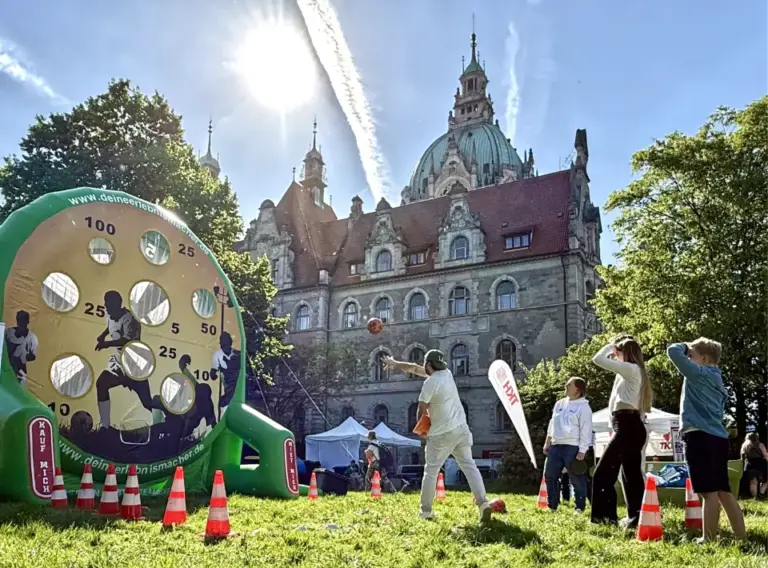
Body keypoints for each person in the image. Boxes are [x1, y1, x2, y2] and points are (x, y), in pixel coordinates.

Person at [383, 350, 492, 523]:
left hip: (441, 434)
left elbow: (421, 409)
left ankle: (425, 511)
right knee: (469, 466)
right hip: (461, 430)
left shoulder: (430, 383)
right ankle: (483, 503)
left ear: (428, 364)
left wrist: (422, 431)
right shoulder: (447, 374)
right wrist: (396, 364)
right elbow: (414, 368)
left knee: (431, 471)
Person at [667, 338, 746, 542]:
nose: (687, 358)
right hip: (718, 438)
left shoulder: (698, 373)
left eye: (691, 355)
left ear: (703, 358)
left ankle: (709, 538)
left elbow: (673, 351)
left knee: (708, 493)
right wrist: (693, 348)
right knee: (723, 491)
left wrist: (686, 345)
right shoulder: (717, 378)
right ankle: (741, 536)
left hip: (699, 436)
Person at [590, 335, 653, 527]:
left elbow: (597, 359)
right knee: (631, 475)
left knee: (603, 473)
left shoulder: (630, 369)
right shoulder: (632, 371)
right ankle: (636, 516)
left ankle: (605, 518)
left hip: (627, 425)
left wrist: (610, 346)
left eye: (618, 352)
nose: (615, 355)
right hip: (629, 425)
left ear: (625, 352)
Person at [95, 291, 150, 430]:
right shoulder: (111, 315)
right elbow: (111, 326)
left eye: (109, 305)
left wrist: (106, 344)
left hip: (134, 367)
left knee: (147, 402)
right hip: (119, 364)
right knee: (102, 383)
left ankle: (167, 418)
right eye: (106, 304)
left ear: (118, 304)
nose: (106, 307)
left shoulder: (130, 319)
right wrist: (102, 335)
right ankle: (104, 427)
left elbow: (126, 341)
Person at [543, 377, 592, 514]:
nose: (566, 386)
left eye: (569, 385)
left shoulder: (584, 407)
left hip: (572, 446)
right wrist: (547, 442)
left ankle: (579, 507)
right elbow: (552, 423)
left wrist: (582, 450)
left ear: (577, 389)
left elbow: (586, 429)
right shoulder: (559, 404)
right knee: (550, 476)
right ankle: (552, 506)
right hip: (555, 445)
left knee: (576, 478)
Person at [210, 332, 241, 414]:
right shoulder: (218, 354)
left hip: (234, 387)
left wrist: (214, 374)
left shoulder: (238, 354)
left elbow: (213, 374)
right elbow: (213, 373)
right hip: (231, 388)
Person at [4, 310, 38, 385]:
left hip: (20, 371)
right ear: (17, 320)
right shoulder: (8, 332)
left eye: (23, 320)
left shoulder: (32, 338)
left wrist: (24, 355)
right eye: (19, 320)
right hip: (5, 369)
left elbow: (33, 356)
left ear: (27, 321)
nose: (21, 322)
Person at [740, 433, 768, 499]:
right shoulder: (760, 445)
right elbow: (766, 455)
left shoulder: (744, 445)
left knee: (753, 482)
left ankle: (755, 497)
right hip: (760, 464)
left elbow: (742, 457)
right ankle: (760, 494)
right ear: (756, 437)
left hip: (748, 465)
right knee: (766, 480)